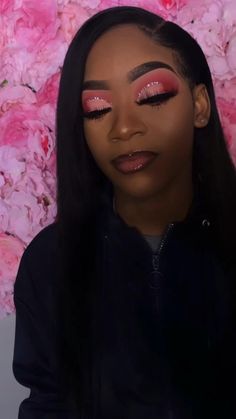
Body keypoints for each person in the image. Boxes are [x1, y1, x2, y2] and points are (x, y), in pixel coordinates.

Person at [13, 6, 236, 419]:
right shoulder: (50, 264)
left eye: (151, 95)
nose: (123, 127)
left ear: (201, 105)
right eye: (97, 108)